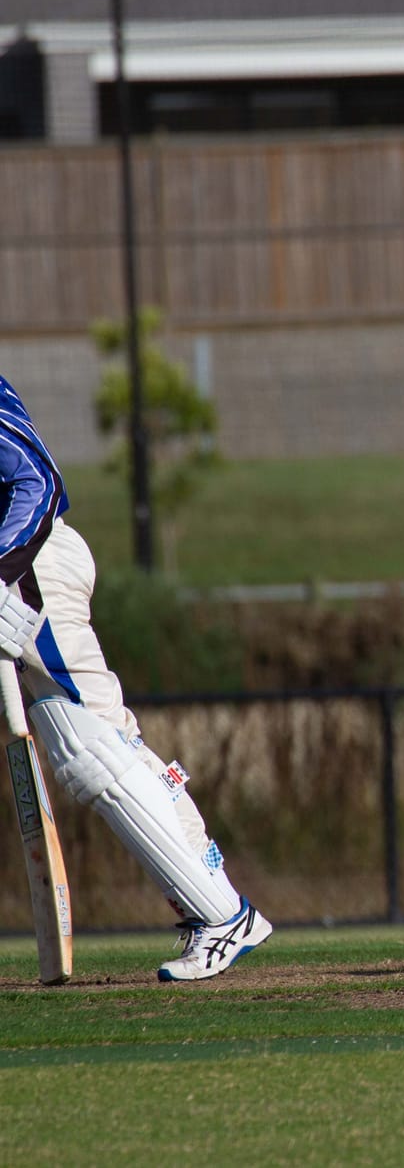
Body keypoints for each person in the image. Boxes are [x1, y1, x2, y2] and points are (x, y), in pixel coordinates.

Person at [0, 373, 272, 981]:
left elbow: (37, 481)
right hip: (24, 574)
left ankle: (222, 913)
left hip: (29, 571)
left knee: (93, 749)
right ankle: (216, 905)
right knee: (99, 744)